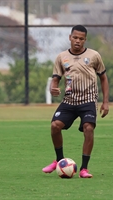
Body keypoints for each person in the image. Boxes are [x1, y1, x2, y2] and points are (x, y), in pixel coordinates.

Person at [42, 25, 109, 178]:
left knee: (88, 128)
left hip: (88, 100)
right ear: (70, 37)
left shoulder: (94, 56)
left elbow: (103, 78)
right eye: (75, 38)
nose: (78, 41)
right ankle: (59, 161)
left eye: (81, 39)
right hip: (69, 100)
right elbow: (55, 79)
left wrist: (105, 102)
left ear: (85, 40)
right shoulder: (61, 57)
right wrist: (53, 88)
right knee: (55, 126)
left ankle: (84, 169)